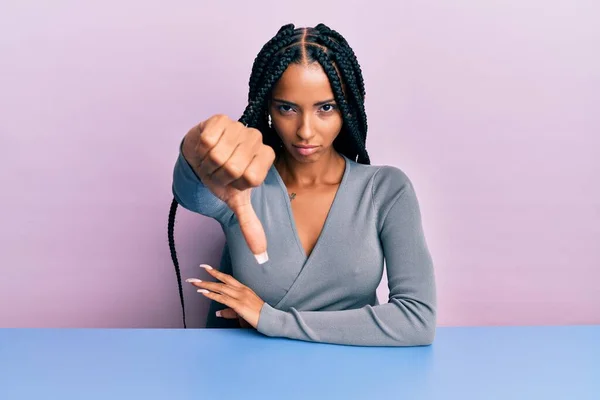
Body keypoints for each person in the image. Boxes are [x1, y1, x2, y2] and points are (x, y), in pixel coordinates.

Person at [168, 23, 437, 346]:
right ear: (267, 107)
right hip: (249, 379)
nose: (305, 131)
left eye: (326, 108)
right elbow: (189, 192)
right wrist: (195, 147)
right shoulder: (242, 184)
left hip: (358, 379)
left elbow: (417, 320)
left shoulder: (386, 190)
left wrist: (270, 319)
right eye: (287, 108)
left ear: (347, 109)